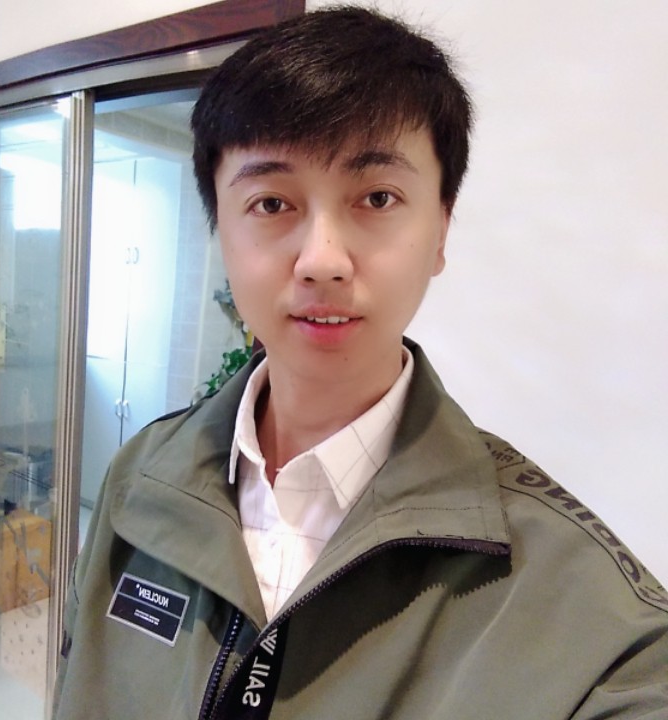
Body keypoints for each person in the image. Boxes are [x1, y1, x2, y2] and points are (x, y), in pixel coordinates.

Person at [53, 7, 668, 719]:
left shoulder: (585, 609)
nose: (322, 260)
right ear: (221, 230)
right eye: (272, 202)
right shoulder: (138, 479)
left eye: (377, 198)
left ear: (441, 230)